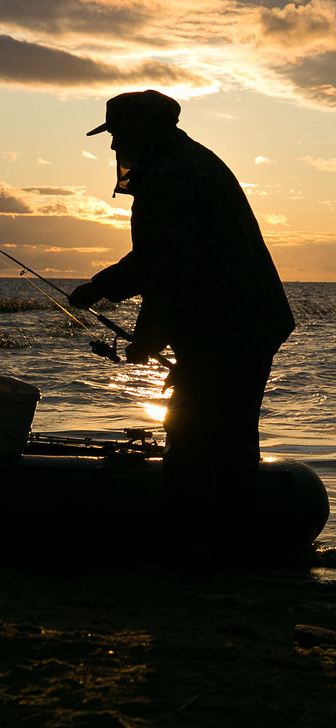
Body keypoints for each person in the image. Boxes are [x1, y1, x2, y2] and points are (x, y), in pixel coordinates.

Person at [69, 90, 295, 554]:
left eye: (118, 136)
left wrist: (147, 339)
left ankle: (194, 547)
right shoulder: (188, 163)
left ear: (141, 132)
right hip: (249, 319)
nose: (114, 148)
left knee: (192, 433)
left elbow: (171, 271)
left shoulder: (170, 178)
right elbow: (157, 255)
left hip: (230, 326)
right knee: (231, 434)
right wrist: (100, 287)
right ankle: (231, 542)